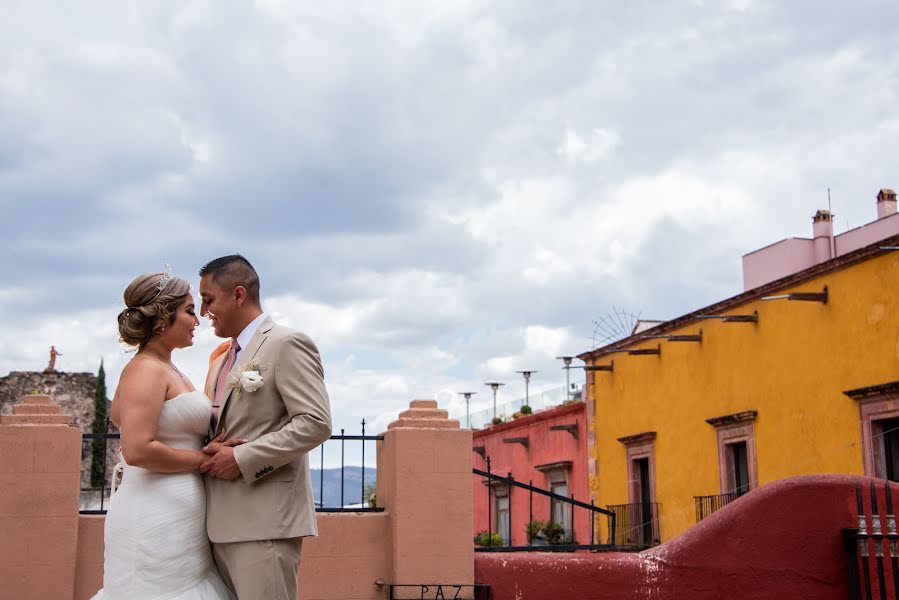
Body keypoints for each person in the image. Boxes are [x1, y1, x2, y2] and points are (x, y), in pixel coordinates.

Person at [92, 269, 235, 600]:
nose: (197, 319)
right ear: (160, 319)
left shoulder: (168, 367)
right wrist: (203, 460)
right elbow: (139, 450)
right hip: (153, 517)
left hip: (180, 521)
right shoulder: (144, 370)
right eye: (188, 310)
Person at [199, 254, 332, 600]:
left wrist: (242, 458)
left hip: (265, 526)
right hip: (217, 527)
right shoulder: (220, 360)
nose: (203, 311)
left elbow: (315, 423)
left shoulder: (286, 344)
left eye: (209, 299)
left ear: (238, 295)